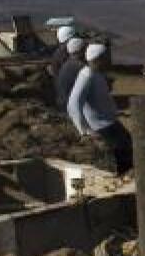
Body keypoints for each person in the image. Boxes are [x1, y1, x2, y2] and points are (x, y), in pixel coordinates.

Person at [67, 43, 133, 175]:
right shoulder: (87, 76)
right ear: (98, 59)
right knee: (121, 148)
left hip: (108, 121)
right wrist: (84, 130)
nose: (109, 61)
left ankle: (125, 173)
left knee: (126, 144)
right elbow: (73, 103)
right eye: (106, 57)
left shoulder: (96, 73)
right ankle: (124, 175)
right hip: (100, 125)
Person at [54, 36, 86, 110]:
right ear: (80, 51)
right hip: (71, 105)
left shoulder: (66, 64)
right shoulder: (80, 66)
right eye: (84, 49)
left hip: (63, 101)